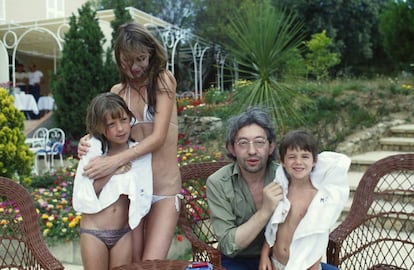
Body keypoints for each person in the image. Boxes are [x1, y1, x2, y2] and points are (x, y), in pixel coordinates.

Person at [77, 21, 181, 261]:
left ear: (151, 54)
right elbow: (106, 131)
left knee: (150, 264)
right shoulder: (117, 92)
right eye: (127, 60)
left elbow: (158, 138)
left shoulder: (164, 81)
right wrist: (88, 139)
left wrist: (114, 162)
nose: (135, 67)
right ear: (118, 58)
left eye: (141, 59)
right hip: (132, 192)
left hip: (164, 190)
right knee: (131, 265)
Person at [73, 92, 152, 270]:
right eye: (111, 124)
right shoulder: (91, 149)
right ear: (100, 127)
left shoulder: (138, 153)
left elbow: (142, 193)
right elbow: (83, 195)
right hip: (94, 232)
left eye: (124, 120)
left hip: (123, 233)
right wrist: (112, 170)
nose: (120, 128)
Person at [259, 130, 350, 270]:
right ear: (282, 161)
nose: (298, 162)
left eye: (305, 156)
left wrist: (313, 267)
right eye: (292, 157)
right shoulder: (279, 191)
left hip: (305, 266)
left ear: (314, 161)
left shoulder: (318, 198)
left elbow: (318, 237)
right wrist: (264, 255)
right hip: (275, 262)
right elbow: (272, 226)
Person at [206, 107, 283, 270]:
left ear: (271, 147)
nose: (252, 151)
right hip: (237, 261)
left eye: (259, 142)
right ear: (232, 148)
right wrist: (264, 212)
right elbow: (227, 244)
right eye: (243, 143)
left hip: (281, 257)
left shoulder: (285, 177)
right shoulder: (218, 183)